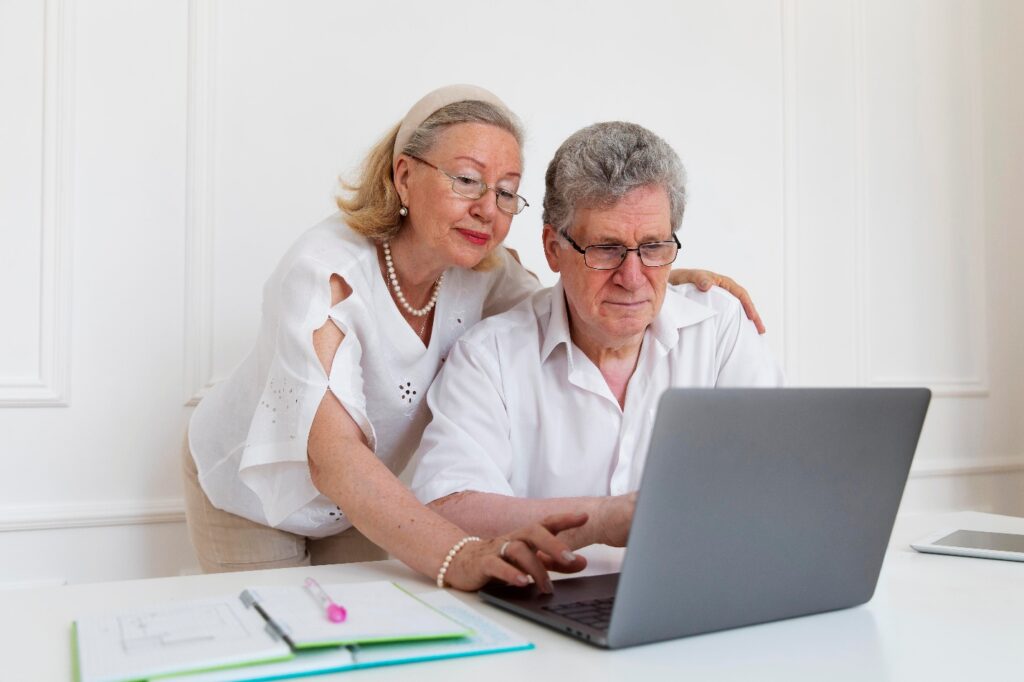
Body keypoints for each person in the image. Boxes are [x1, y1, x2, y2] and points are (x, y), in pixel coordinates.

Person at [183, 85, 764, 591]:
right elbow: (333, 459)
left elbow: (577, 296)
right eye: (467, 180)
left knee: (360, 646)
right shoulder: (324, 275)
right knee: (281, 642)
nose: (488, 209)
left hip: (366, 500)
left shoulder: (485, 271)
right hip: (253, 487)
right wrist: (456, 556)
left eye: (507, 190)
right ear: (404, 175)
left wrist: (659, 282)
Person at [411, 121, 784, 550]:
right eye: (606, 249)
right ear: (553, 248)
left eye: (653, 247)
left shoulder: (719, 329)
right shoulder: (489, 355)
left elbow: (776, 477)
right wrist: (600, 520)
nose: (632, 277)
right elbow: (448, 507)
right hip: (541, 600)